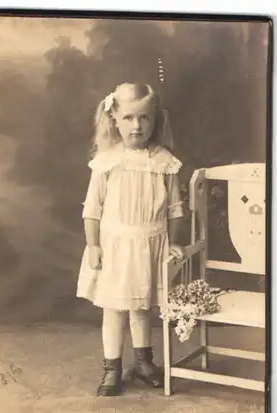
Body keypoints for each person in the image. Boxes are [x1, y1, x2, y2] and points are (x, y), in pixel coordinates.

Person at [76, 82, 186, 396]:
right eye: (128, 118)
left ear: (155, 119)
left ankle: (143, 362)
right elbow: (92, 209)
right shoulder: (107, 161)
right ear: (115, 120)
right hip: (115, 245)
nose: (137, 126)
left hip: (150, 242)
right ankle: (111, 368)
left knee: (141, 307)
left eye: (144, 118)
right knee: (114, 309)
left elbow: (176, 208)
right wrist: (94, 245)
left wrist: (175, 241)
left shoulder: (165, 161)